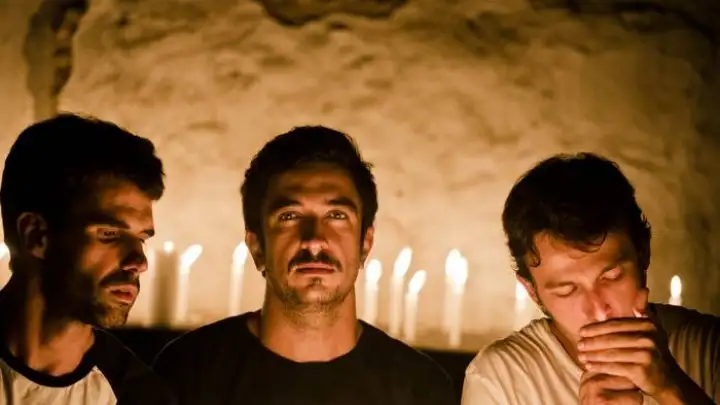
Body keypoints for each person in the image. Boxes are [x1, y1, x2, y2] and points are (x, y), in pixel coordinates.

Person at [152, 126, 456, 405]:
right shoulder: (188, 373)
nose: (314, 240)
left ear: (365, 243)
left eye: (337, 216)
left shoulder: (419, 390)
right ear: (257, 247)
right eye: (290, 216)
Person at [461, 152, 720, 405]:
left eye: (612, 276)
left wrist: (670, 387)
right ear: (532, 291)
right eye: (567, 290)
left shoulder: (707, 347)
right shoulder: (500, 379)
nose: (598, 308)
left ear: (643, 253)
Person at [0, 114, 176, 405]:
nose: (139, 262)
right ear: (35, 235)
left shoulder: (139, 397)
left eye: (142, 238)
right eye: (109, 234)